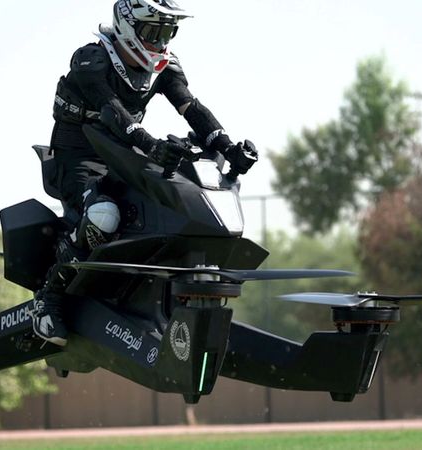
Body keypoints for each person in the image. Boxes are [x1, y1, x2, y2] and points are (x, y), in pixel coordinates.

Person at [31, 0, 258, 346]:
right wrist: (150, 145)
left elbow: (191, 107)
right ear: (127, 25)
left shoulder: (166, 66)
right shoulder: (91, 60)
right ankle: (49, 298)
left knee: (169, 206)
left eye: (168, 32)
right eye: (154, 32)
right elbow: (112, 110)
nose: (161, 42)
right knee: (104, 214)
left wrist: (229, 147)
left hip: (124, 154)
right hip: (78, 158)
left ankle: (152, 296)